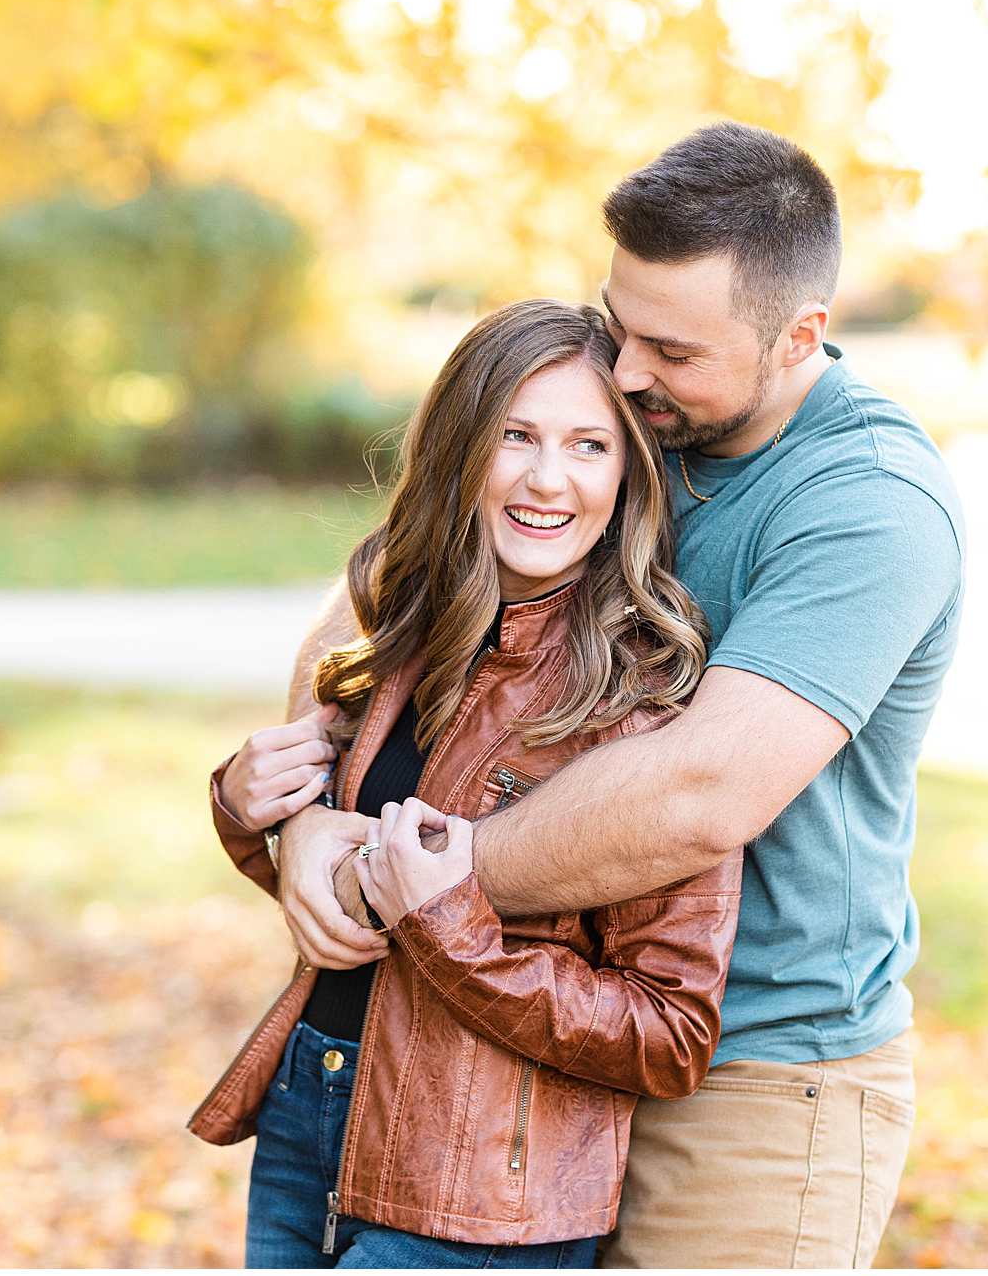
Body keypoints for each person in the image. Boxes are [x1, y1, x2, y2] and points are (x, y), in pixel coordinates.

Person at [219, 122, 967, 1267]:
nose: (624, 372)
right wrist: (310, 811)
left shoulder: (867, 503)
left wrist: (399, 876)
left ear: (796, 337)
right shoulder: (631, 416)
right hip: (519, 1041)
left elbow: (696, 791)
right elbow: (378, 604)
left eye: (667, 348)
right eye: (617, 325)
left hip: (755, 1074)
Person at [188, 299, 743, 1268]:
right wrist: (249, 809)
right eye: (515, 436)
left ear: (627, 475)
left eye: (586, 445)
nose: (544, 477)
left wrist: (454, 927)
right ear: (460, 447)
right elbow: (344, 872)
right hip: (306, 1117)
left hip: (477, 1193)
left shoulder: (639, 696)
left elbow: (670, 1029)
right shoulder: (407, 627)